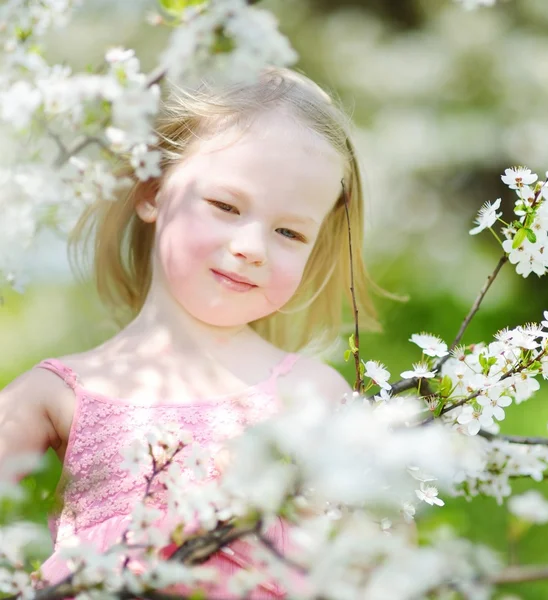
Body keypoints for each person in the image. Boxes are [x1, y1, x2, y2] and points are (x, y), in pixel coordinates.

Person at [0, 67, 386, 598]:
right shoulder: (54, 397)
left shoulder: (312, 397)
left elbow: (374, 561)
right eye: (226, 206)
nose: (252, 245)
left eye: (289, 232)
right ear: (153, 192)